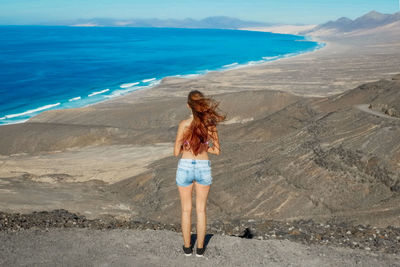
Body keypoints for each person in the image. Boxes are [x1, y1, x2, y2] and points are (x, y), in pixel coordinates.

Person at [173, 90, 226, 257]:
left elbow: (176, 152)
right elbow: (217, 151)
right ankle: (201, 249)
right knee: (201, 210)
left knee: (186, 210)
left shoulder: (183, 124)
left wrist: (187, 146)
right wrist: (203, 146)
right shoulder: (210, 124)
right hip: (203, 166)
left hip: (185, 166)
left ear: (188, 105)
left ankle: (187, 248)